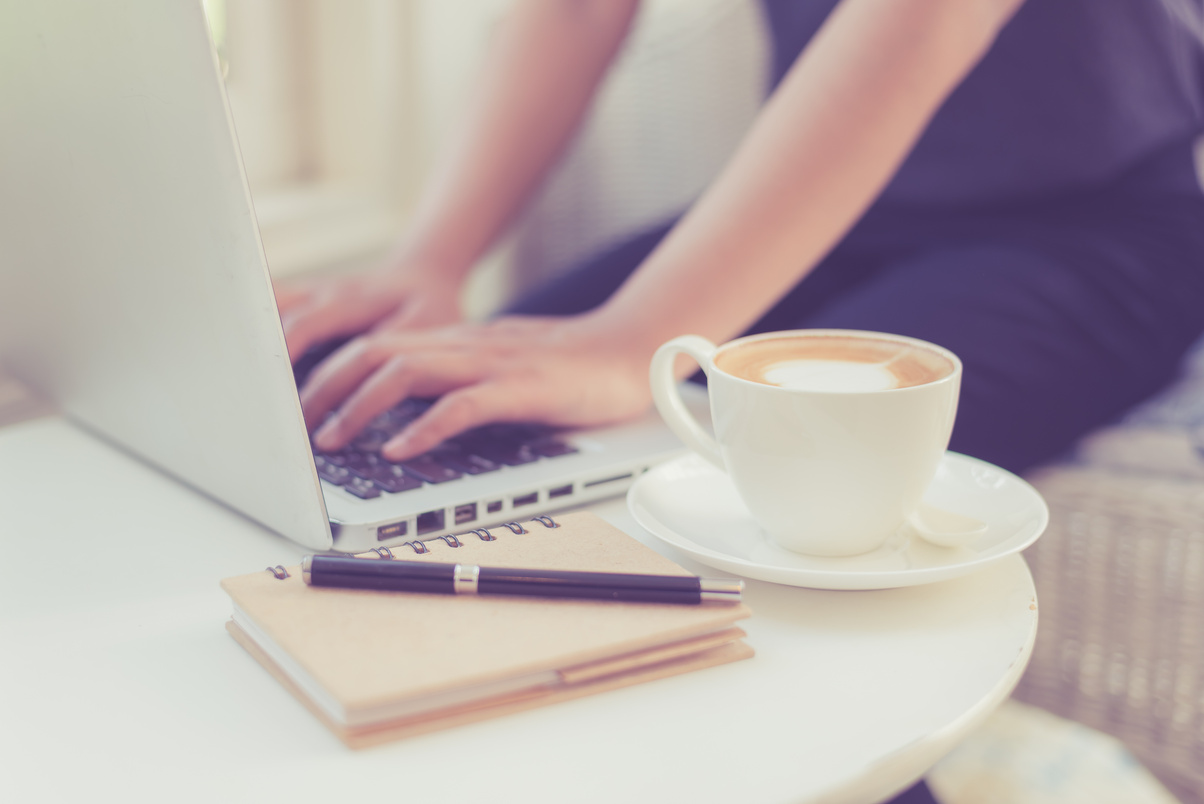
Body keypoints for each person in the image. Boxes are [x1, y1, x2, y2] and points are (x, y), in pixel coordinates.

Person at [277, 2, 1203, 797]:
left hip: (1084, 227)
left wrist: (633, 340)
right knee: (444, 418)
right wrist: (430, 264)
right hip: (830, 215)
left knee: (776, 515)